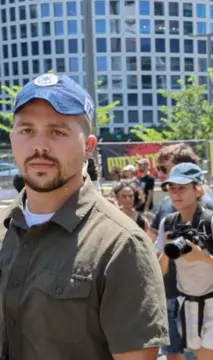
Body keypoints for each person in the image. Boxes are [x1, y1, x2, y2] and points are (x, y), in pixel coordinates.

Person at [0, 73, 168, 359]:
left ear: (89, 146)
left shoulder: (121, 245)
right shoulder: (3, 229)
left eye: (58, 131)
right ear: (13, 137)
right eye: (27, 130)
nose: (39, 145)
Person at [156, 162, 213, 360]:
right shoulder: (168, 223)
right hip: (188, 304)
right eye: (172, 188)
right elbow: (159, 272)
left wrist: (203, 257)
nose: (176, 193)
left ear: (197, 190)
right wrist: (167, 252)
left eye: (182, 188)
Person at [151, 143, 213, 360]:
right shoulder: (166, 205)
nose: (159, 174)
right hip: (171, 290)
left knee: (199, 355)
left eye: (164, 169)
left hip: (198, 296)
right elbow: (155, 241)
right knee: (174, 354)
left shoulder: (206, 207)